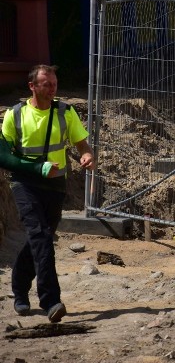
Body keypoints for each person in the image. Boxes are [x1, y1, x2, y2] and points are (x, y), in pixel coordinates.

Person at [1, 65, 94, 322]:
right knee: (41, 236)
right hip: (24, 184)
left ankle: (19, 290)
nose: (52, 88)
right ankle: (50, 300)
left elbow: (81, 143)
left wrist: (87, 154)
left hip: (55, 185)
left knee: (39, 240)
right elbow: (3, 155)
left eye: (54, 83)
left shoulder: (65, 111)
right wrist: (35, 167)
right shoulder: (15, 114)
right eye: (46, 84)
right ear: (32, 86)